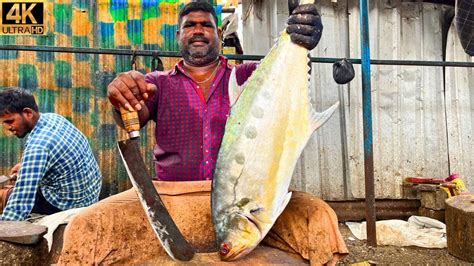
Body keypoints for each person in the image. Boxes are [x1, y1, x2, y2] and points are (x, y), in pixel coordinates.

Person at [59, 2, 347, 264]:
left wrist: (302, 39)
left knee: (319, 218)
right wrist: (121, 94)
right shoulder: (156, 84)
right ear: (177, 35)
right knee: (85, 226)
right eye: (190, 25)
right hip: (171, 200)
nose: (198, 31)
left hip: (246, 200)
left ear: (219, 33)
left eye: (206, 25)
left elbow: (289, 77)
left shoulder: (248, 76)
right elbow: (131, 116)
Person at [0, 87, 102, 221]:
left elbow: (20, 204)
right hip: (90, 193)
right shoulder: (54, 118)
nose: (7, 127)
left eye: (10, 121)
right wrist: (26, 166)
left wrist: (4, 230)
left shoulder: (38, 146)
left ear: (28, 113)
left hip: (67, 205)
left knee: (4, 195)